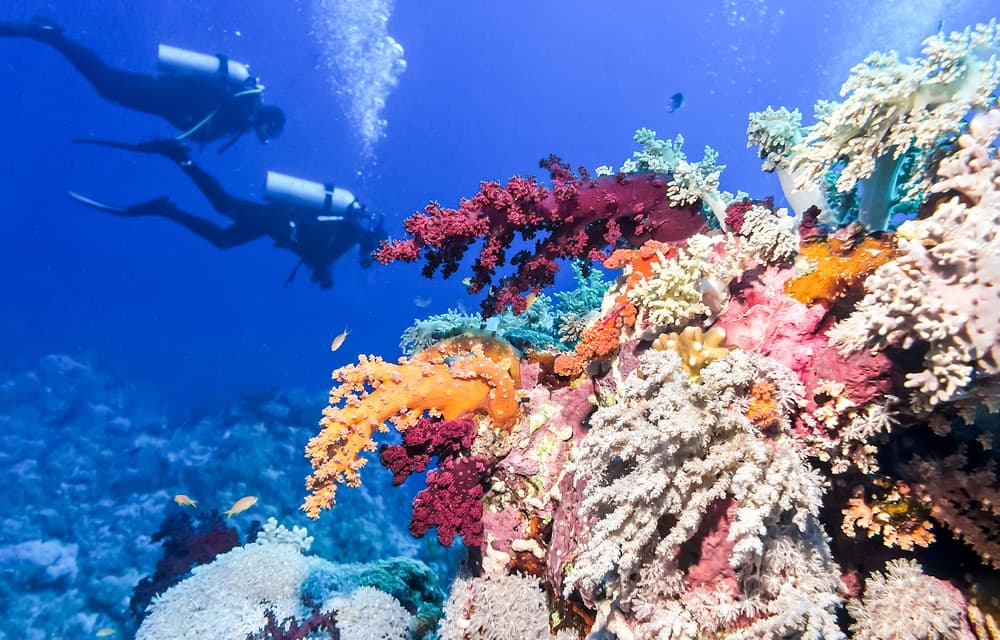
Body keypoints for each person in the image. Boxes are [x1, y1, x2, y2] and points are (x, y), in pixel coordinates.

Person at [68, 139, 386, 289]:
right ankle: (180, 158)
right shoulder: (352, 233)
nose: (370, 261)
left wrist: (323, 272)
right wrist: (324, 269)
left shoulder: (348, 241)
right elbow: (321, 248)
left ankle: (164, 209)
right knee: (221, 204)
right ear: (373, 242)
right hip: (276, 221)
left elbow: (317, 254)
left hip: (275, 228)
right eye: (376, 254)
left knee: (222, 240)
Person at [0, 17, 285, 150]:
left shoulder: (244, 113)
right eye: (270, 134)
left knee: (107, 80)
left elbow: (205, 113)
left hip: (168, 94)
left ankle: (49, 35)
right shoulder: (244, 113)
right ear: (268, 124)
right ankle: (49, 35)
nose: (265, 139)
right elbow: (211, 92)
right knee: (106, 84)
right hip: (168, 96)